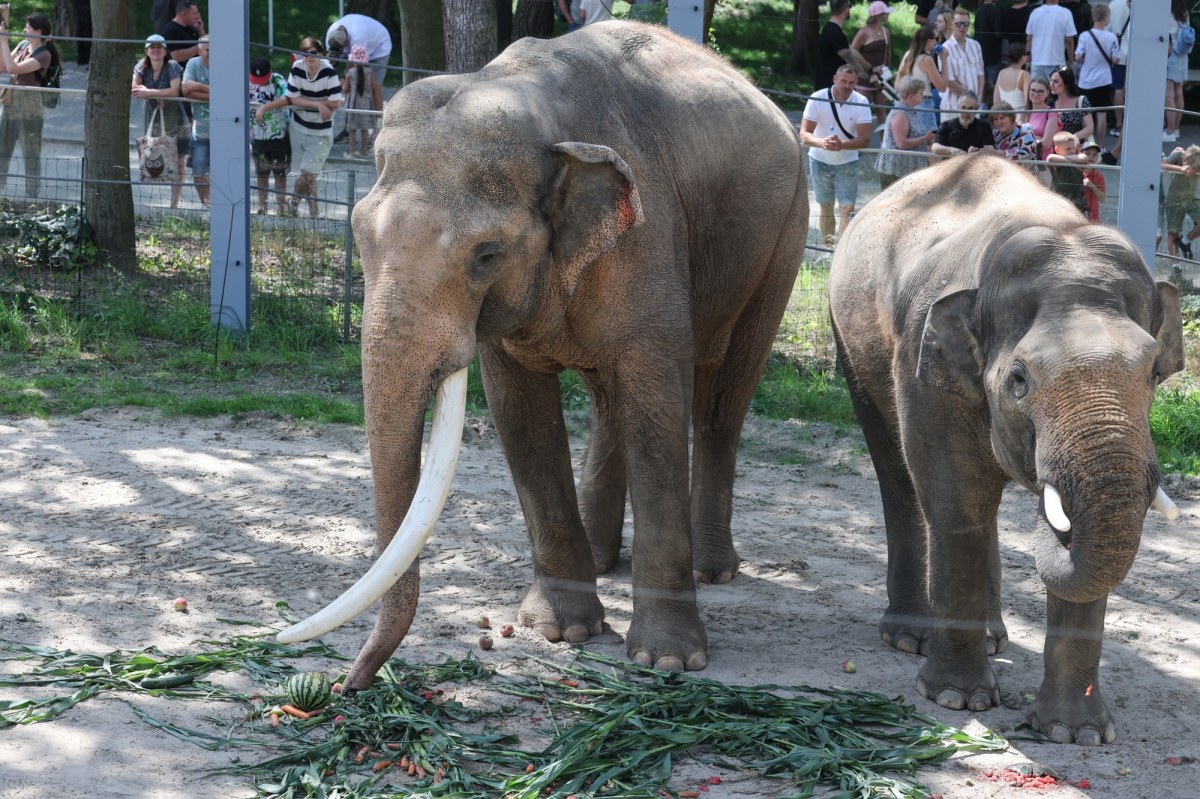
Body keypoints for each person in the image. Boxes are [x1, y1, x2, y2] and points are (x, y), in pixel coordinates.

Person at [799, 64, 872, 248]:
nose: (847, 86)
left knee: (847, 208)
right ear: (834, 79)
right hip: (819, 159)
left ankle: (842, 250)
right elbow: (804, 134)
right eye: (843, 81)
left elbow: (865, 139)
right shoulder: (818, 98)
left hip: (848, 161)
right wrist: (822, 142)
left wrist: (842, 145)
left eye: (851, 83)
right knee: (825, 205)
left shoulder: (861, 101)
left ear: (856, 83)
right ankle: (829, 246)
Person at [0, 11, 58, 200]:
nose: (24, 30)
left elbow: (13, 69)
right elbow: (2, 67)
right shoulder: (24, 44)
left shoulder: (44, 55)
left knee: (30, 150)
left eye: (28, 28)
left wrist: (3, 42)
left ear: (38, 32)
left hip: (30, 105)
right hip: (11, 101)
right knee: (2, 147)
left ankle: (32, 194)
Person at [286, 37, 343, 217]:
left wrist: (310, 102)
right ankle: (314, 211)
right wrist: (319, 104)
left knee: (308, 171)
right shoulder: (297, 68)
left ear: (321, 54)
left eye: (314, 54)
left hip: (321, 131)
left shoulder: (328, 72)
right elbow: (292, 98)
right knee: (309, 174)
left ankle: (293, 201)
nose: (309, 58)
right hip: (298, 127)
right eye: (305, 54)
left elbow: (335, 103)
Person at [131, 33, 187, 208]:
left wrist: (150, 92)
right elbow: (134, 89)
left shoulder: (172, 66)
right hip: (153, 117)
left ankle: (174, 202)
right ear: (146, 51)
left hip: (175, 119)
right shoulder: (141, 66)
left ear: (165, 50)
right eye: (152, 47)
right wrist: (156, 95)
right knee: (157, 155)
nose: (155, 50)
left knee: (178, 160)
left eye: (159, 47)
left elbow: (174, 91)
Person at [876, 75, 937, 189]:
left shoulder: (909, 111)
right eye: (920, 93)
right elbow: (901, 144)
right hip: (896, 170)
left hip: (907, 169)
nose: (923, 95)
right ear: (911, 96)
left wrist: (926, 139)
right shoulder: (900, 114)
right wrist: (924, 138)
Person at [249, 57, 290, 216]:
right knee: (261, 173)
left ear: (270, 73)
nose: (259, 82)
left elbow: (286, 98)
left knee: (279, 173)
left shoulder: (277, 80)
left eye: (262, 79)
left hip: (278, 135)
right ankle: (262, 207)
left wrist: (264, 108)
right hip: (257, 136)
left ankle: (280, 208)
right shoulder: (246, 81)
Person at [1074, 3, 1120, 146]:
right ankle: (1099, 146)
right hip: (1104, 80)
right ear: (1106, 17)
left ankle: (1085, 144)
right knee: (1102, 116)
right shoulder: (1112, 37)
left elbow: (1078, 56)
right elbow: (1116, 59)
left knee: (1085, 115)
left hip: (1086, 80)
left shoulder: (1084, 36)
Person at [850, 1, 893, 125]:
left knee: (882, 111)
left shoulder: (886, 31)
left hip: (881, 77)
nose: (888, 15)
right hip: (865, 77)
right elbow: (853, 51)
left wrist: (888, 74)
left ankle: (884, 143)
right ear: (880, 14)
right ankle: (858, 141)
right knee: (861, 110)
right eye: (886, 12)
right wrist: (869, 68)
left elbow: (888, 53)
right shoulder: (864, 32)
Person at [897, 25, 947, 129]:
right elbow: (942, 87)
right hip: (923, 103)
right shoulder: (927, 60)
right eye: (936, 39)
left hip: (906, 102)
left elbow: (897, 84)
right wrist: (944, 60)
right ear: (929, 41)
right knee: (928, 140)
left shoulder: (908, 55)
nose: (937, 42)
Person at [815, 0, 871, 91]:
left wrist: (871, 68)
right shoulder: (835, 33)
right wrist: (863, 75)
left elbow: (851, 50)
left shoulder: (831, 29)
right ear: (845, 9)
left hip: (831, 85)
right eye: (849, 7)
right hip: (830, 87)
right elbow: (848, 56)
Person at [325, 13, 391, 88]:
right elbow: (329, 58)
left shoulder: (358, 36)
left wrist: (344, 80)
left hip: (379, 47)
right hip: (358, 44)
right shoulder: (331, 33)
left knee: (374, 86)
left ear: (346, 41)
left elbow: (354, 65)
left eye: (341, 48)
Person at [181, 35, 210, 207]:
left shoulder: (224, 63)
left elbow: (228, 93)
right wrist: (217, 94)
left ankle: (216, 205)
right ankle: (206, 204)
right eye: (207, 50)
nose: (212, 53)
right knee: (199, 171)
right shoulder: (193, 64)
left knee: (220, 172)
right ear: (199, 51)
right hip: (200, 129)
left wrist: (198, 86)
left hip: (223, 129)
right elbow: (186, 91)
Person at [940, 8, 984, 116]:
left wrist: (977, 99)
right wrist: (968, 101)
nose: (962, 27)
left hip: (974, 107)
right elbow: (949, 81)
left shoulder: (976, 45)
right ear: (952, 25)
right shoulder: (945, 48)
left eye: (965, 24)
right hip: (953, 107)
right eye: (958, 24)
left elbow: (981, 76)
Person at [1042, 65, 1093, 153]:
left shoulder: (1081, 100)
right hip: (1056, 151)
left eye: (1056, 81)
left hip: (1077, 149)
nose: (1051, 85)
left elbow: (1090, 127)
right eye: (1051, 81)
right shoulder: (1049, 103)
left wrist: (1072, 138)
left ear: (1066, 83)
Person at [341, 45, 380, 158]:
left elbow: (346, 89)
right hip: (366, 103)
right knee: (365, 130)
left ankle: (351, 152)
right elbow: (374, 86)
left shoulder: (350, 72)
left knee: (352, 130)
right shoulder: (370, 71)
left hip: (353, 104)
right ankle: (364, 152)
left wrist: (342, 85)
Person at [1161, 145, 1200, 257]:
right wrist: (1180, 168)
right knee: (1172, 234)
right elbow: (1162, 164)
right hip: (1175, 199)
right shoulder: (1179, 154)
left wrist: (1195, 169)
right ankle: (1176, 269)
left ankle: (1184, 242)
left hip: (1193, 199)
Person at [1025, 0, 1076, 80]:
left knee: (1037, 90)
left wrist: (1027, 61)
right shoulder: (1066, 13)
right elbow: (1069, 41)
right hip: (1057, 62)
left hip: (1037, 61)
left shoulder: (1035, 13)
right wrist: (1071, 62)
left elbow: (1029, 39)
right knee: (1056, 90)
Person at [932, 90, 992, 155]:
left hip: (976, 163)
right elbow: (935, 147)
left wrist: (976, 152)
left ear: (976, 110)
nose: (966, 112)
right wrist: (951, 150)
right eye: (963, 108)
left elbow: (990, 150)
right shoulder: (946, 125)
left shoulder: (984, 126)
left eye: (971, 109)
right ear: (958, 108)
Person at [1045, 130, 1088, 214]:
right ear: (1057, 150)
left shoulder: (1077, 158)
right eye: (1068, 149)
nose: (1072, 151)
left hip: (1078, 201)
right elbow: (1050, 158)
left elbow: (1084, 158)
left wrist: (1067, 159)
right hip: (1060, 201)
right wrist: (1072, 161)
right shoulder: (1056, 161)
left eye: (1073, 148)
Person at [1165, 0, 1190, 141]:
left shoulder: (1168, 11)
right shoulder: (1184, 12)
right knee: (1179, 93)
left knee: (1169, 95)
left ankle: (1169, 131)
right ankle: (1176, 129)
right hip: (1183, 54)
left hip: (1171, 53)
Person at [1107, 0, 1131, 140]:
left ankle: (1119, 123)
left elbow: (1108, 27)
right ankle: (1130, 122)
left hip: (1118, 52)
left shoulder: (1113, 4)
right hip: (1134, 53)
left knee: (1118, 89)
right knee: (1130, 89)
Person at [974, 0, 1003, 100]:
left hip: (979, 51)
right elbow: (998, 32)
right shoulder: (995, 11)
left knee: (981, 81)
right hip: (993, 53)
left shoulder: (978, 11)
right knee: (993, 82)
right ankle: (994, 103)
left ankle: (982, 103)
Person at [162, 0, 204, 67]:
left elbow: (206, 47)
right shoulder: (171, 30)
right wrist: (200, 46)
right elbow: (176, 56)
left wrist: (200, 30)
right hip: (180, 73)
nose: (197, 16)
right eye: (195, 13)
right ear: (184, 14)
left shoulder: (192, 26)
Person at [993, 42, 1030, 110]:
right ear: (1022, 57)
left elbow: (996, 100)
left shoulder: (1001, 73)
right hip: (1019, 115)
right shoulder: (1024, 75)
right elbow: (1027, 100)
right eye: (1027, 54)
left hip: (1004, 114)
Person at [1080, 137, 1106, 223]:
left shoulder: (1099, 176)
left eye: (1094, 154)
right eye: (1088, 153)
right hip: (1076, 214)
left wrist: (1092, 186)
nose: (1091, 156)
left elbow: (1102, 198)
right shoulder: (1075, 172)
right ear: (1081, 153)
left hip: (1092, 217)